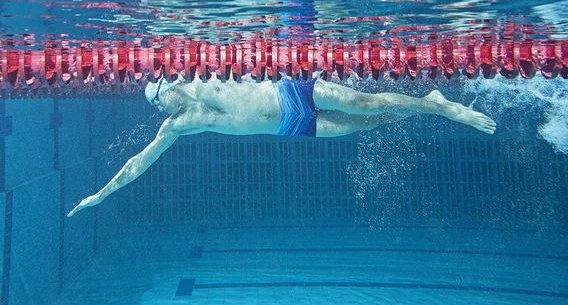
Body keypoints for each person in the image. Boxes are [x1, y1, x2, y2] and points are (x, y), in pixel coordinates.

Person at [67, 75, 496, 217]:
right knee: (366, 124)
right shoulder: (178, 125)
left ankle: (444, 109)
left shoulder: (199, 76)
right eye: (158, 100)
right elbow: (140, 161)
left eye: (163, 91)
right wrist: (102, 194)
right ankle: (428, 104)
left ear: (169, 83)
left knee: (366, 102)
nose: (166, 98)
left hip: (288, 92)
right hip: (287, 128)